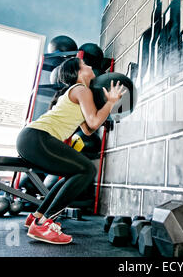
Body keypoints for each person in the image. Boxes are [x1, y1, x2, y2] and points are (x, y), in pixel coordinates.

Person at [16, 57, 125, 245]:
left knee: (73, 173)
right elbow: (93, 122)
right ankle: (44, 224)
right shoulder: (81, 89)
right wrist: (110, 103)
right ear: (78, 73)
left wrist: (107, 106)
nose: (90, 66)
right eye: (85, 65)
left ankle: (37, 216)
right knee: (87, 170)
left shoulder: (79, 92)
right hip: (37, 136)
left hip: (32, 138)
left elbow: (88, 129)